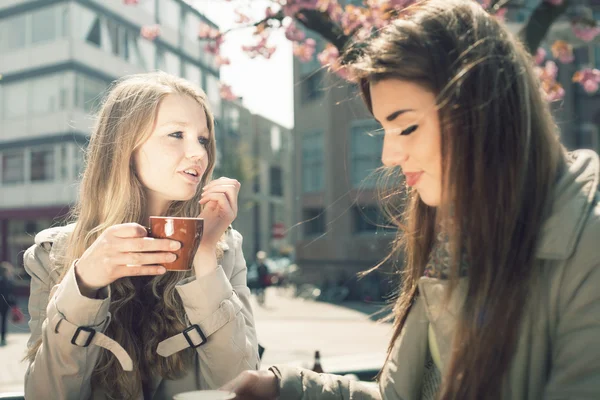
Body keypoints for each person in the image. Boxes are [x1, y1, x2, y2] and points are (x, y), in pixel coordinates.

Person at [222, 1, 600, 399]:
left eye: (407, 126)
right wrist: (284, 388)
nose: (389, 156)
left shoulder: (588, 249)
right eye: (384, 129)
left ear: (483, 111)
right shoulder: (455, 234)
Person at [22, 72, 259, 400]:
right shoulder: (53, 254)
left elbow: (242, 383)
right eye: (176, 134)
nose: (199, 154)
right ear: (124, 144)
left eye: (203, 139)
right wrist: (84, 283)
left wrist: (203, 253)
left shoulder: (224, 247)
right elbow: (46, 395)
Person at [0, 261, 17, 346]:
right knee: (3, 321)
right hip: (4, 304)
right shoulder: (8, 281)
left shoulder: (8, 280)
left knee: (3, 321)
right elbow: (10, 294)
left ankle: (3, 337)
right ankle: (3, 337)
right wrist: (14, 305)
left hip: (4, 303)